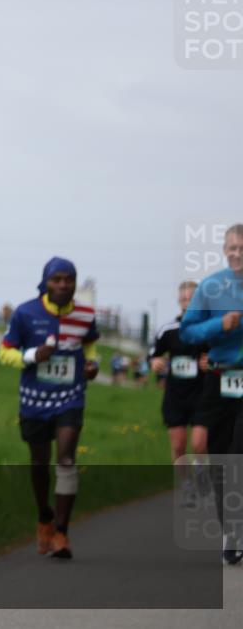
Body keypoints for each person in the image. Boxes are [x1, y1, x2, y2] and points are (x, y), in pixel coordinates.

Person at [0, 257, 100, 559]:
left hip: (71, 397)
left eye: (69, 279)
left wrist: (94, 365)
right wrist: (32, 356)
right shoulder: (26, 313)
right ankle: (44, 517)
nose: (63, 285)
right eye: (57, 279)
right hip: (34, 400)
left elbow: (91, 346)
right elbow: (5, 354)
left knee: (66, 458)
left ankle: (62, 532)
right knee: (39, 463)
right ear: (46, 281)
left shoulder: (85, 314)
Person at [180, 223, 243, 566]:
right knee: (221, 459)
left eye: (242, 248)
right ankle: (231, 532)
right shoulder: (211, 287)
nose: (236, 254)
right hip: (220, 381)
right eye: (231, 248)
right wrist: (220, 325)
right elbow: (188, 332)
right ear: (224, 249)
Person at [148, 281, 209, 507]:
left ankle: (201, 472)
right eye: (184, 299)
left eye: (192, 298)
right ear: (179, 301)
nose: (188, 302)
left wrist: (210, 362)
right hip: (176, 395)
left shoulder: (209, 329)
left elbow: (221, 355)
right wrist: (154, 362)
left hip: (203, 394)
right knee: (179, 445)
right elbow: (153, 354)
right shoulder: (168, 329)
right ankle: (186, 486)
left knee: (200, 443)